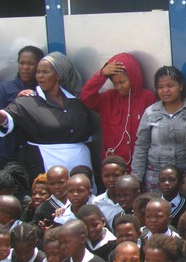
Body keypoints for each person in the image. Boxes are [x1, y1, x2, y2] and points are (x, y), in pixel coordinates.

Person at [0, 52, 96, 180]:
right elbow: (7, 118)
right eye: (38, 72)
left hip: (80, 166)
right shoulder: (27, 101)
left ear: (58, 75)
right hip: (46, 165)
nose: (40, 76)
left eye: (45, 72)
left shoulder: (77, 102)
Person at [80, 52, 155, 168]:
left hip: (140, 165)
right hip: (113, 167)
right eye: (115, 83)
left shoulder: (147, 97)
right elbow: (86, 96)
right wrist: (102, 74)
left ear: (133, 77)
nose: (118, 87)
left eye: (122, 82)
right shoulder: (108, 98)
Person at [132, 66, 186, 192]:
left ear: (180, 86)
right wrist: (136, 178)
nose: (165, 90)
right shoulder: (150, 112)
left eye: (170, 85)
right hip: (156, 176)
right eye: (160, 87)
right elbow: (141, 146)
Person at [0, 45, 44, 168]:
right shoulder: (4, 88)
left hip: (36, 153)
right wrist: (17, 102)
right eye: (22, 63)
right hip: (8, 152)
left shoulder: (44, 89)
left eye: (31, 64)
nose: (25, 68)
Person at [93, 156, 128, 229]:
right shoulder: (96, 202)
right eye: (106, 176)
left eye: (116, 175)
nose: (111, 179)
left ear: (125, 175)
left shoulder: (131, 200)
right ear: (102, 177)